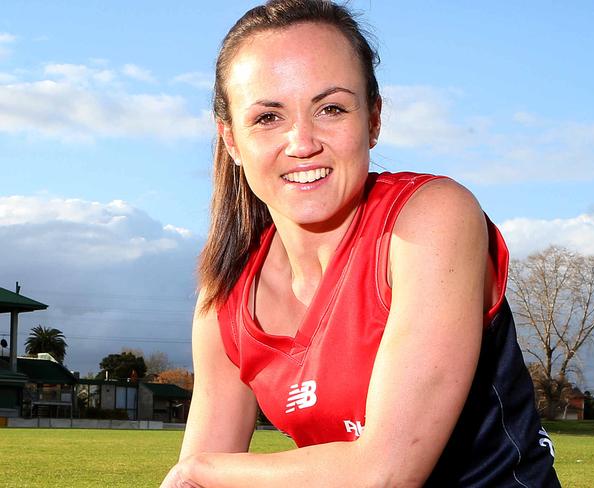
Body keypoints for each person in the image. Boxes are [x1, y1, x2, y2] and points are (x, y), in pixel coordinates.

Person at [161, 1, 561, 486]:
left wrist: (203, 468)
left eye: (330, 108)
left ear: (373, 118)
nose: (302, 142)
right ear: (230, 140)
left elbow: (386, 473)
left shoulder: (432, 217)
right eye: (268, 117)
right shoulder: (226, 296)